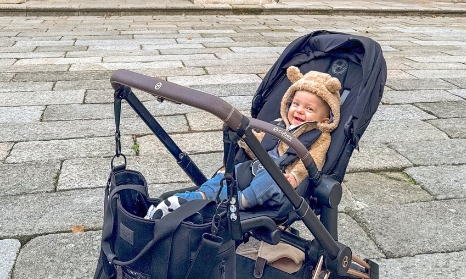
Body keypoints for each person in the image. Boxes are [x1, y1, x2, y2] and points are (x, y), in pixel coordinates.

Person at [146, 66, 342, 219]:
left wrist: (296, 176)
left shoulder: (319, 136)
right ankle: (196, 198)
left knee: (271, 178)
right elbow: (259, 144)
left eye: (309, 109)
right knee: (226, 175)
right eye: (296, 104)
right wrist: (243, 137)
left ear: (324, 120)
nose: (299, 111)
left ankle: (240, 201)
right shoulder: (279, 125)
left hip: (282, 184)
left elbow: (314, 160)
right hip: (254, 169)